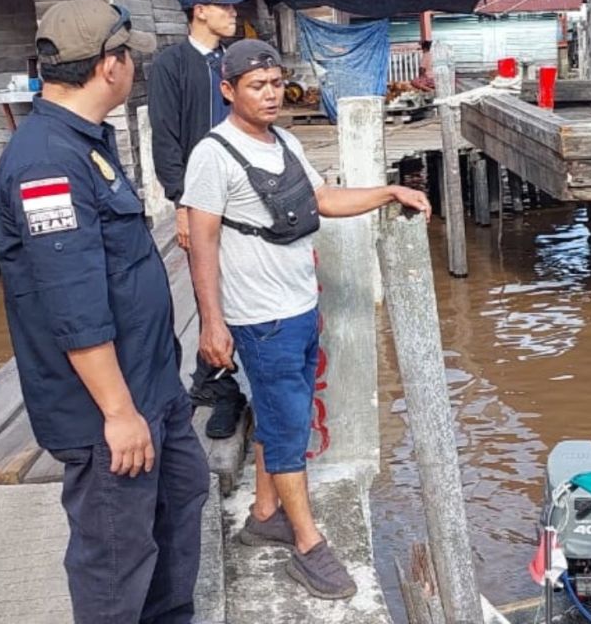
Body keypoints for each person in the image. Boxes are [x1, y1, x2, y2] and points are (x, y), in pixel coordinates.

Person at [181, 40, 431, 599]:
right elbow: (200, 243)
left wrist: (389, 191)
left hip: (298, 306)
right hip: (257, 318)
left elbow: (323, 200)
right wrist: (211, 323)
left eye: (274, 83)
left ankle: (266, 513)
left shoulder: (286, 141)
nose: (270, 95)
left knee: (278, 420)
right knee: (289, 428)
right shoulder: (213, 155)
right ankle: (309, 545)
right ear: (228, 91)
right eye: (256, 86)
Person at [0, 0, 209, 623]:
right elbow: (72, 302)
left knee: (179, 504)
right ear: (110, 66)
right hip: (108, 408)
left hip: (152, 385)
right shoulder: (46, 164)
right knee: (116, 557)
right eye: (128, 56)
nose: (132, 67)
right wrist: (118, 413)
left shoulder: (86, 141)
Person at [149, 0, 249, 438]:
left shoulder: (234, 61)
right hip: (199, 199)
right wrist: (181, 204)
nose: (234, 13)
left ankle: (222, 378)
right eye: (225, 6)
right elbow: (166, 141)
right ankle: (222, 388)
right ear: (199, 11)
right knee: (211, 293)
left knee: (245, 287)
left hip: (243, 196)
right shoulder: (172, 65)